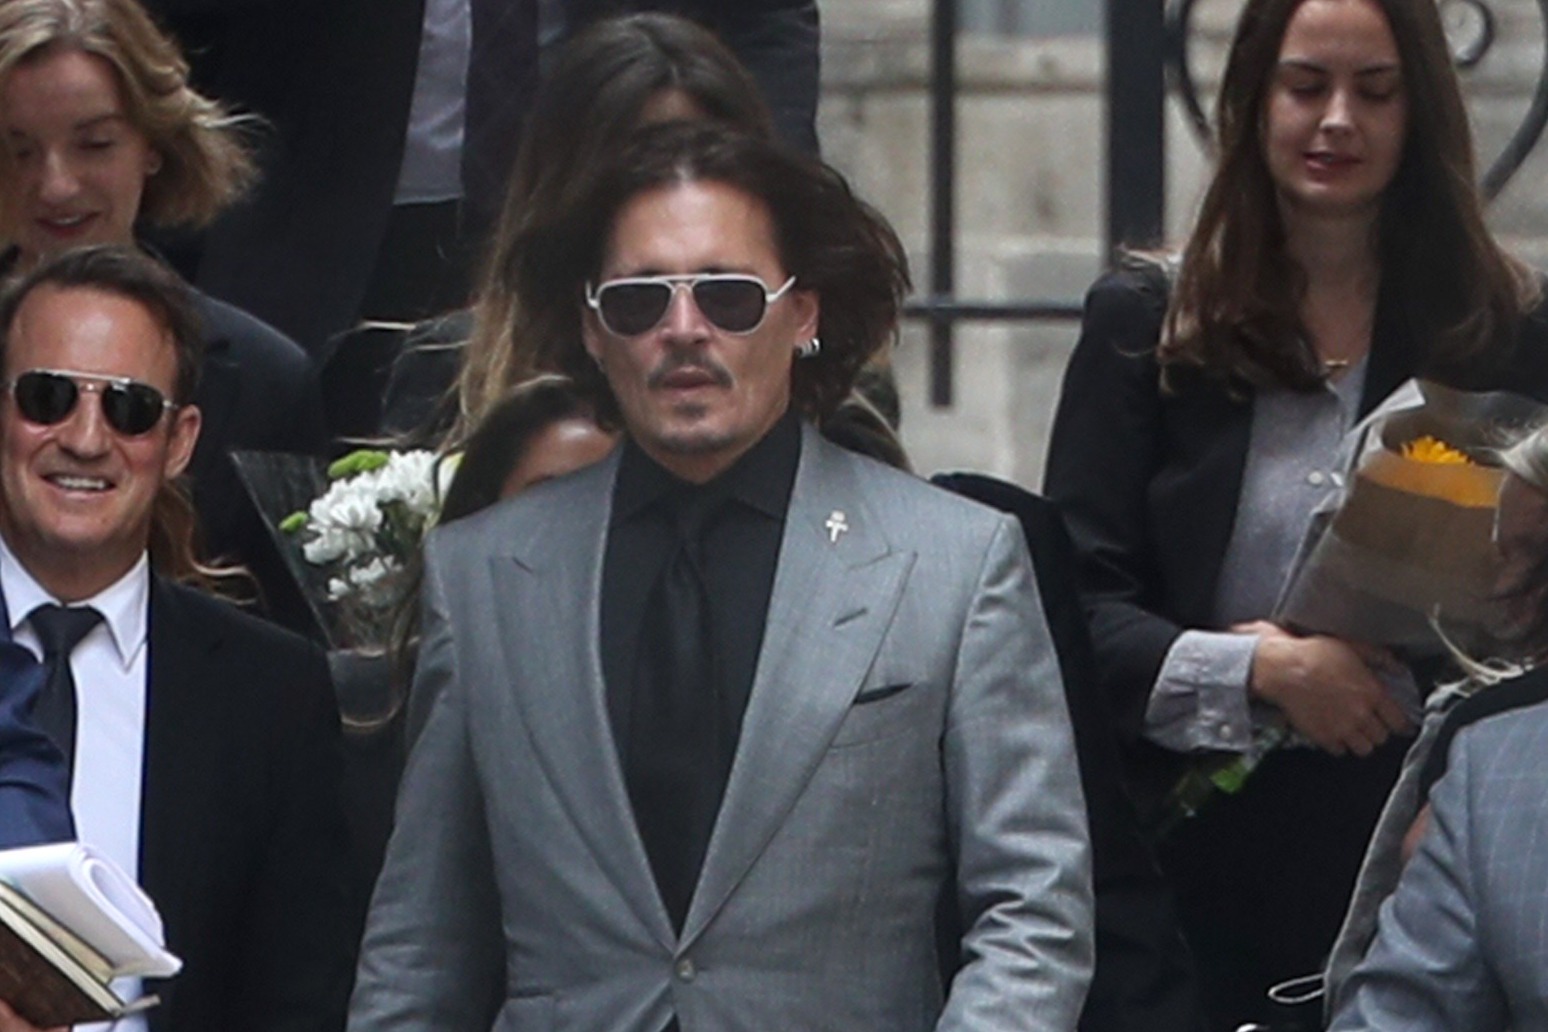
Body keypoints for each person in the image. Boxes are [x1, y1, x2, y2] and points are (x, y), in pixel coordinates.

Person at [348, 122, 1093, 1031]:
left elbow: (1035, 911)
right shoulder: (484, 573)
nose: (684, 330)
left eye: (729, 297)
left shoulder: (955, 563)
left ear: (803, 314)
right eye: (639, 302)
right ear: (591, 328)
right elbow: (422, 944)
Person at [1042, 0, 1548, 1026]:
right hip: (1182, 857)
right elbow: (1066, 610)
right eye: (1306, 86)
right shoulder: (1143, 324)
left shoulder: (1504, 331)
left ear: (1420, 112)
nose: (1337, 121)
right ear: (1253, 101)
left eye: (1376, 92)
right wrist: (1265, 672)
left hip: (1420, 853)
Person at [0, 246, 354, 1032]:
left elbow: (298, 1003)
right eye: (47, 397)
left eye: (128, 408)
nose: (85, 439)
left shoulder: (274, 695)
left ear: (181, 439)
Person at [0, 0, 328, 638]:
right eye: (19, 152)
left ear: (151, 143)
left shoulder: (265, 382)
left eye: (94, 144)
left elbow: (296, 651)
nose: (56, 185)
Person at [380, 11, 778, 443]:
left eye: (703, 164)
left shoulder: (816, 385)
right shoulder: (450, 371)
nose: (672, 194)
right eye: (636, 168)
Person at [1322, 420, 1548, 1014]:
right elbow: (1398, 1011)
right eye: (1506, 554)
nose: (1504, 587)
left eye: (1528, 556)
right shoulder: (1493, 765)